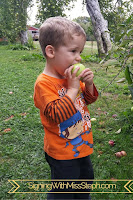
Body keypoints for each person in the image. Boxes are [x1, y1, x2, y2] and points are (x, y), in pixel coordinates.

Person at [34, 16, 98, 200]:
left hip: (82, 146)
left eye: (80, 51)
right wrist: (72, 88)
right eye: (73, 51)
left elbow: (88, 99)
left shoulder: (70, 78)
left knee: (84, 182)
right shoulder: (44, 84)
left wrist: (90, 84)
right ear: (51, 51)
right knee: (64, 191)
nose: (79, 57)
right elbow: (57, 115)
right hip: (61, 153)